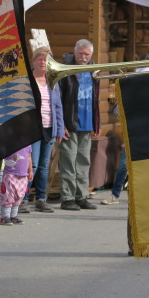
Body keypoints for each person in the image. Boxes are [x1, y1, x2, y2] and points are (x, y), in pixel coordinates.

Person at [57, 39, 100, 211]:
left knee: (84, 161)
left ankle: (81, 196)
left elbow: (95, 100)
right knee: (68, 161)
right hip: (70, 123)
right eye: (80, 53)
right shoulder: (66, 70)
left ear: (91, 55)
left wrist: (98, 123)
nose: (83, 57)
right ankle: (67, 198)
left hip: (87, 123)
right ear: (75, 52)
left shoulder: (93, 70)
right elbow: (58, 100)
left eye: (87, 54)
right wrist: (61, 125)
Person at [23, 46, 63, 213]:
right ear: (33, 61)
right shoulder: (27, 80)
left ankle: (41, 199)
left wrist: (60, 130)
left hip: (49, 127)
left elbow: (58, 106)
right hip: (33, 129)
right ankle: (22, 199)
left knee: (44, 166)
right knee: (33, 165)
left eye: (46, 60)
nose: (42, 62)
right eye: (39, 59)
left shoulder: (52, 81)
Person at [0, 146, 34, 225]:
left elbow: (29, 157)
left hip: (23, 175)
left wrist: (30, 171)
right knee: (7, 196)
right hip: (10, 174)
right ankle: (5, 217)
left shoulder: (28, 143)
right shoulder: (11, 141)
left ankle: (13, 217)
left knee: (19, 197)